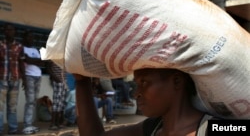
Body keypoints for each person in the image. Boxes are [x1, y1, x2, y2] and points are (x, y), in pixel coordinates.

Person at [74, 68, 219, 136]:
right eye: (136, 84)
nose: (136, 93)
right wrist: (82, 81)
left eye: (144, 82)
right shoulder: (151, 129)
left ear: (176, 81)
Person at [0, 23, 25, 135]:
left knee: (12, 106)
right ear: (4, 32)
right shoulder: (0, 45)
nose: (8, 31)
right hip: (2, 79)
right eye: (6, 30)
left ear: (14, 32)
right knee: (0, 106)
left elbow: (21, 63)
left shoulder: (19, 47)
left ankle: (13, 128)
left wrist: (24, 79)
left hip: (14, 80)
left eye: (11, 30)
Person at [21, 30, 45, 134]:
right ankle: (27, 125)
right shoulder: (21, 49)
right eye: (29, 37)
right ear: (24, 38)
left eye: (32, 37)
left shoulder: (35, 49)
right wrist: (34, 60)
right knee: (30, 101)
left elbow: (41, 62)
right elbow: (27, 60)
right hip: (29, 76)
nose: (31, 39)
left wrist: (32, 60)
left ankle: (30, 124)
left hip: (37, 76)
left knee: (33, 101)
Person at [47, 61, 67, 130]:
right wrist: (55, 78)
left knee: (61, 103)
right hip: (57, 81)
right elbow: (48, 68)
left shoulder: (63, 56)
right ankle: (53, 124)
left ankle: (59, 122)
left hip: (63, 81)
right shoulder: (53, 55)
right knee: (56, 102)